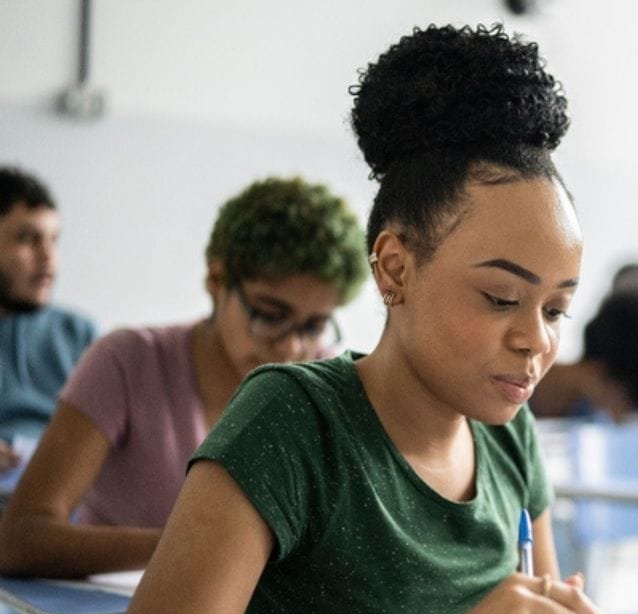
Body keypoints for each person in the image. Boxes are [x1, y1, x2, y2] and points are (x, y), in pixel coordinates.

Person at [90, 24, 638, 614]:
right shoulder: (292, 421)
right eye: (500, 298)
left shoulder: (508, 437)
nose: (534, 340)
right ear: (396, 267)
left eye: (556, 308)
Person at [0, 176, 368, 580]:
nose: (291, 348)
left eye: (314, 325)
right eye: (270, 315)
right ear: (217, 280)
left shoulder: (324, 381)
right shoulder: (127, 362)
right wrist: (204, 545)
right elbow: (19, 540)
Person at [0, 166, 96, 614]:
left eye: (53, 239)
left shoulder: (80, 337)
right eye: (26, 239)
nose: (48, 259)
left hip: (65, 528)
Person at [530, 273, 638, 422]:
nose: (622, 420)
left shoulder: (587, 420)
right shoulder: (509, 414)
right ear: (601, 378)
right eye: (628, 408)